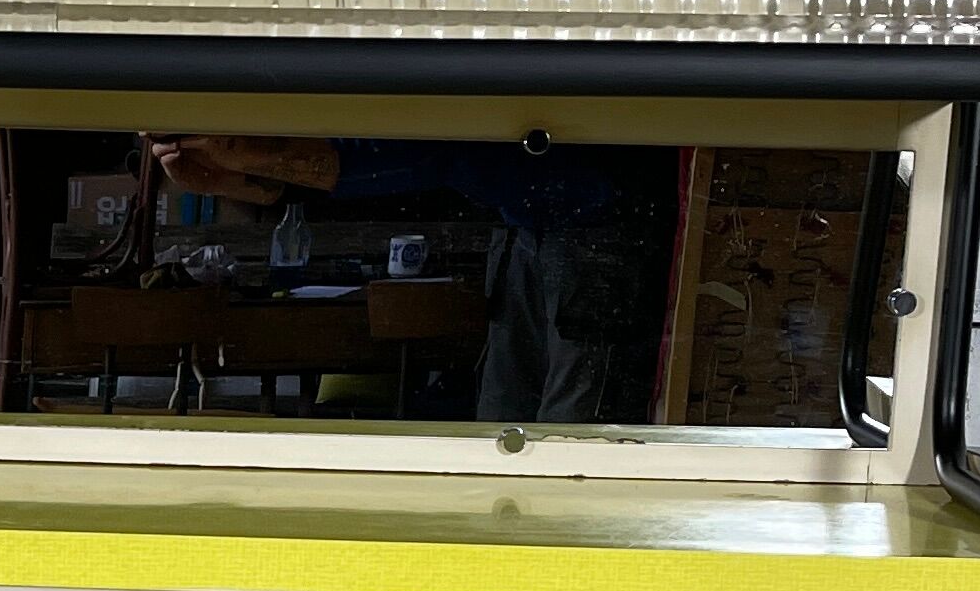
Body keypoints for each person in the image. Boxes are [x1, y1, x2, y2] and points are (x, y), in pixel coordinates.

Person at [149, 133, 684, 423]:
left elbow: (438, 149)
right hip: (532, 226)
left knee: (573, 434)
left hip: (598, 221)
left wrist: (258, 166)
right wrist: (257, 176)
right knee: (505, 423)